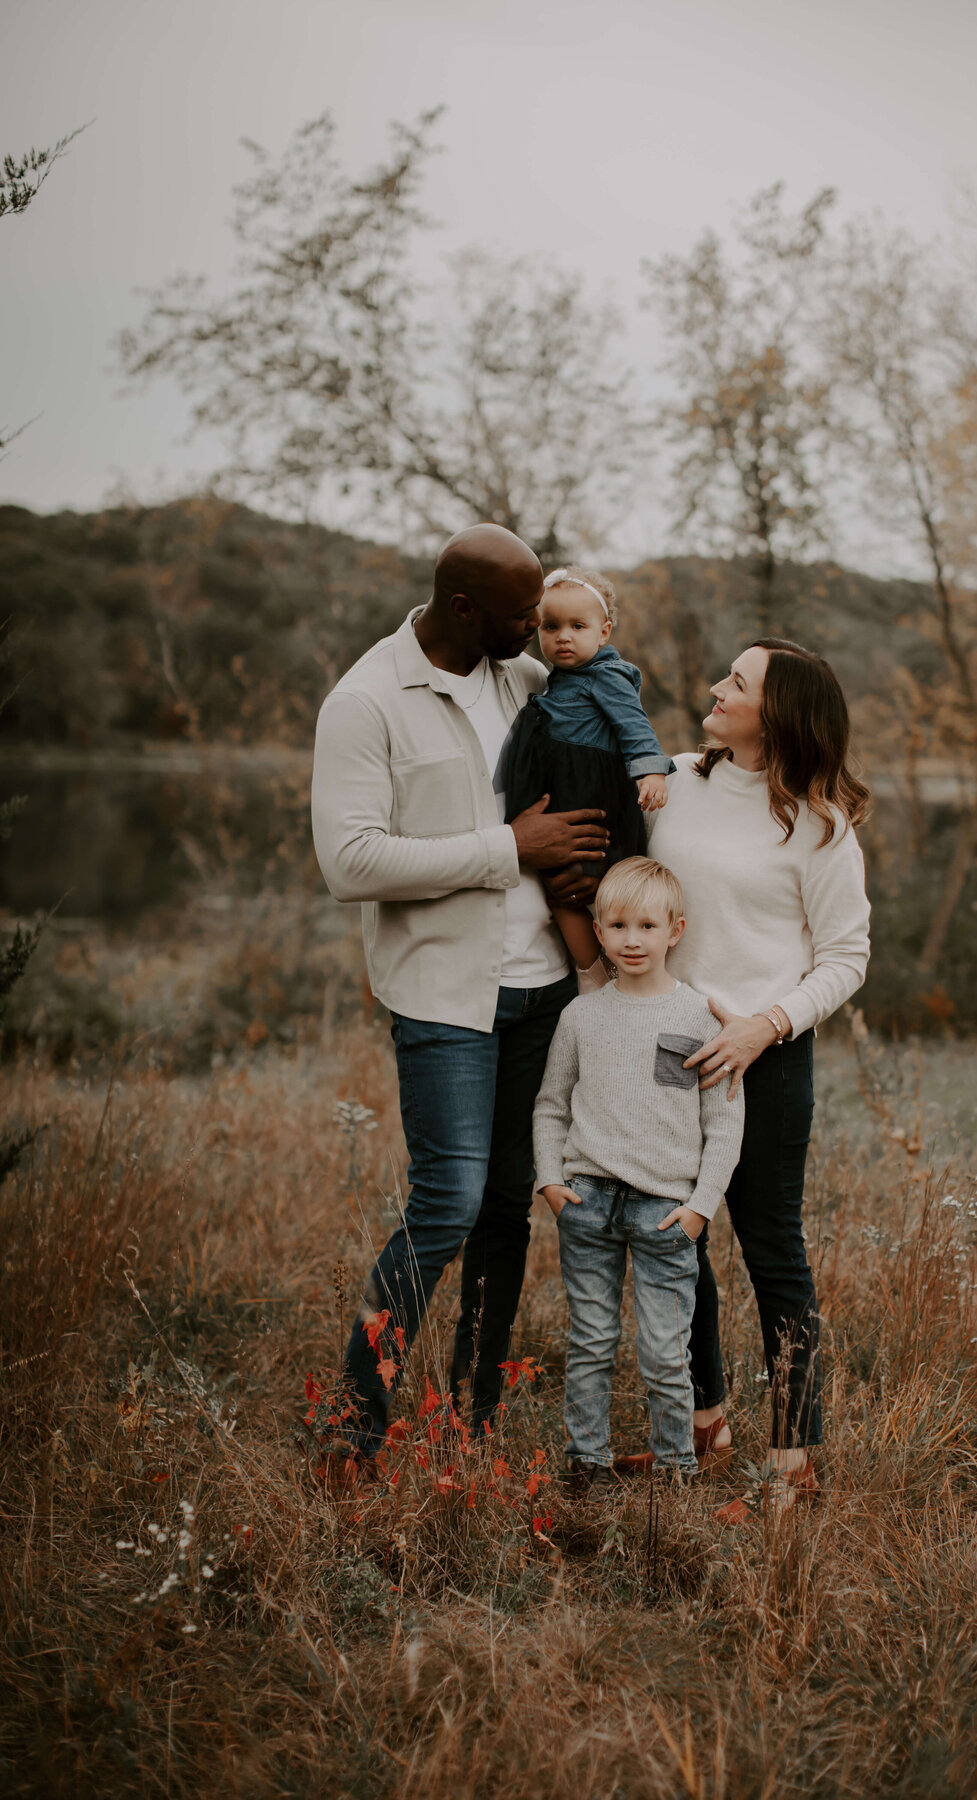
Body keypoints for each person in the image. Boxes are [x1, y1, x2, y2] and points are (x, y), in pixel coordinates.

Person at [310, 523, 611, 1458]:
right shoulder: (365, 702)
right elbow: (349, 860)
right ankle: (354, 1418)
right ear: (462, 608)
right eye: (523, 612)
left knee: (507, 1205)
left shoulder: (522, 678)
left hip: (543, 993)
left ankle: (475, 1415)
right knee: (446, 1201)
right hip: (444, 998)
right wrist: (507, 850)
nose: (539, 626)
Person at [643, 638, 871, 1516]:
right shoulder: (670, 780)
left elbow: (846, 959)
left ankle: (794, 1464)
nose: (714, 687)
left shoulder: (820, 827)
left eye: (735, 682)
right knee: (675, 1243)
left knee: (772, 1250)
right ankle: (704, 1424)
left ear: (775, 715)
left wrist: (764, 1025)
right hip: (668, 1049)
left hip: (767, 1058)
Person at [533, 857, 744, 1481]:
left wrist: (701, 1207)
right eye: (618, 925)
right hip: (587, 1201)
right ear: (597, 931)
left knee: (662, 1351)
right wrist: (550, 1179)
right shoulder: (581, 1017)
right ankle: (587, 1465)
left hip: (665, 1212)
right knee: (592, 1342)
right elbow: (550, 1105)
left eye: (647, 926)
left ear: (675, 931)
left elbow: (724, 1124)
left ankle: (676, 1470)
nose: (632, 939)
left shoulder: (701, 1018)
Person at [500, 566, 675, 981]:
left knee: (599, 892)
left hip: (592, 798)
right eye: (552, 626)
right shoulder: (557, 680)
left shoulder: (607, 676)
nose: (563, 636)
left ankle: (606, 975)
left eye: (578, 626)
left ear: (604, 632)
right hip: (564, 796)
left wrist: (651, 772)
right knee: (561, 894)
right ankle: (595, 973)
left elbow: (634, 724)